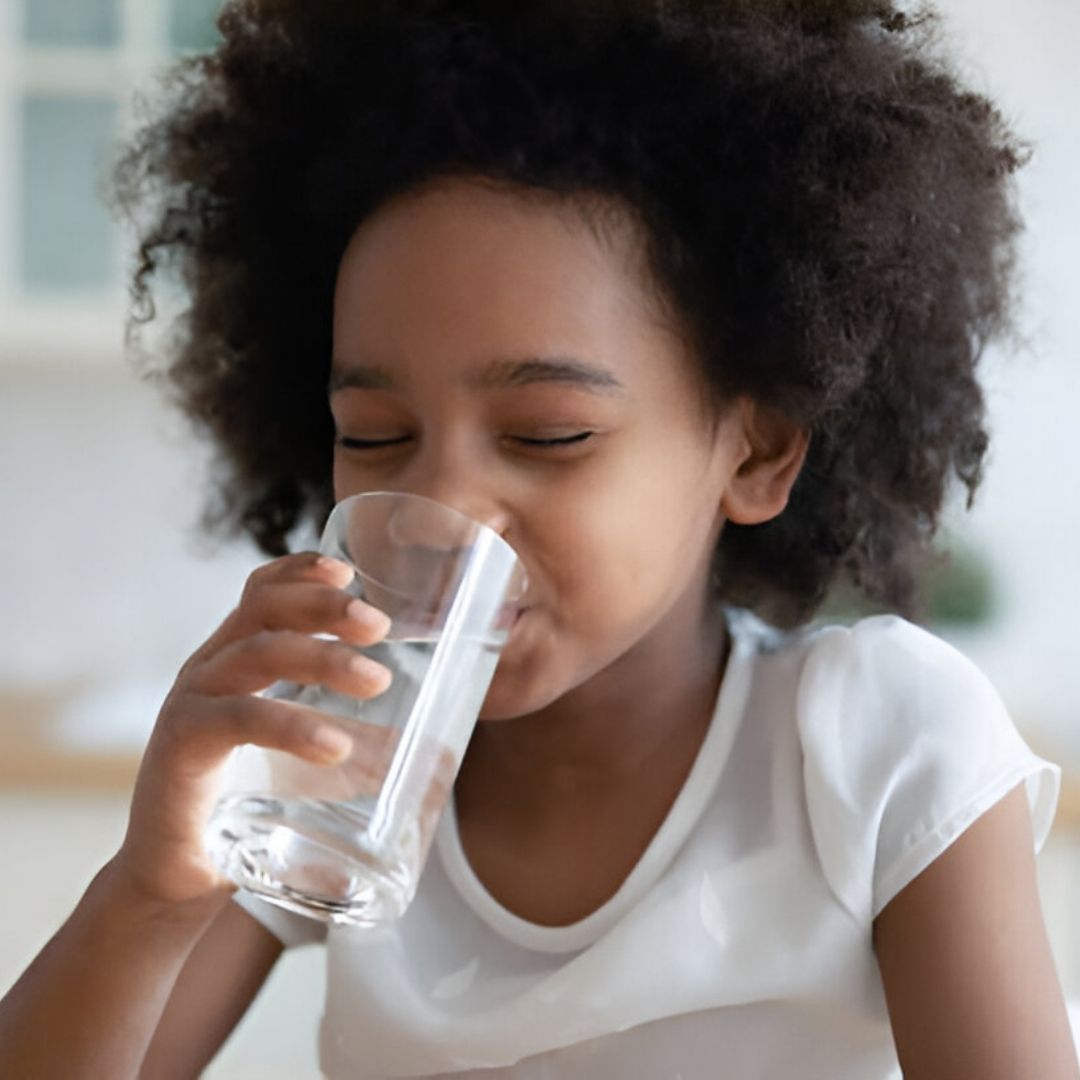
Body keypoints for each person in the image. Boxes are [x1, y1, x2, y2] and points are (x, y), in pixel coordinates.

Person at [1, 0, 1077, 1076]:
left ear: (754, 456)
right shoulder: (341, 766)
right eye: (374, 435)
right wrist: (151, 892)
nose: (446, 507)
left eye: (548, 434)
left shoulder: (878, 746)